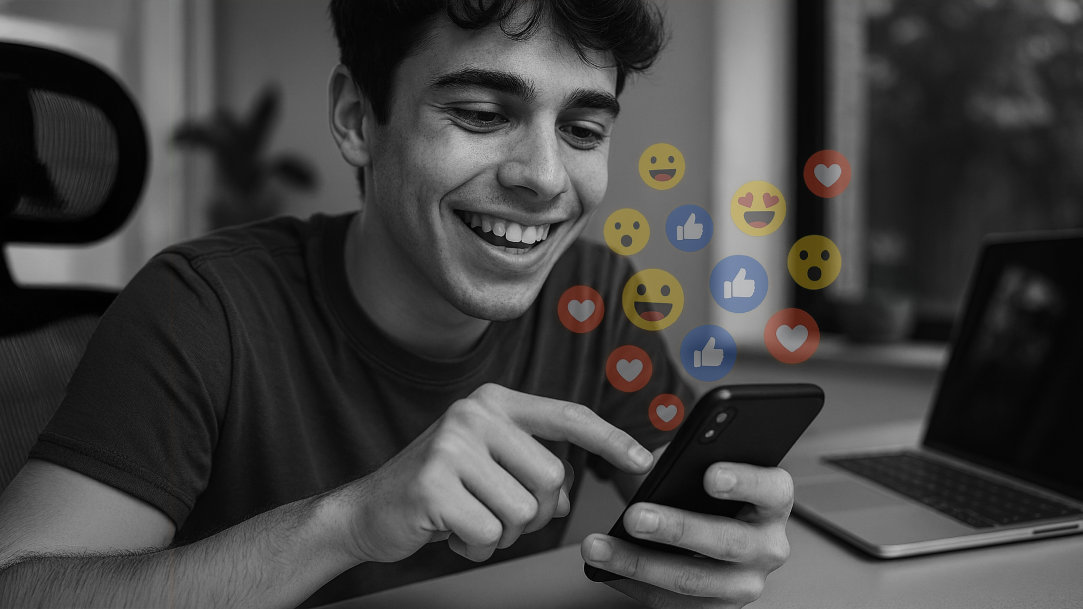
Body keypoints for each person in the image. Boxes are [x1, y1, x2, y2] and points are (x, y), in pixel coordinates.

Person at [0, 1, 794, 607]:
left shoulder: (595, 293)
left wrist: (717, 544)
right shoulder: (202, 307)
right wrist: (347, 521)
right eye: (482, 115)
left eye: (583, 128)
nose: (546, 177)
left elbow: (691, 513)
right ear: (356, 119)